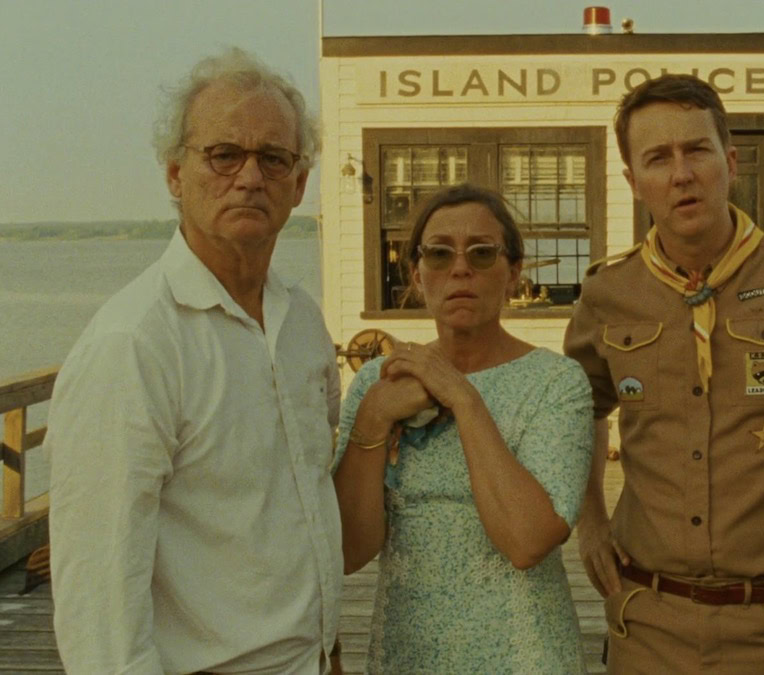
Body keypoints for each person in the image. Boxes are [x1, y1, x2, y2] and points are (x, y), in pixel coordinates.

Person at [46, 48, 341, 673]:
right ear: (175, 174)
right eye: (224, 154)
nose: (250, 177)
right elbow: (98, 607)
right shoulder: (134, 344)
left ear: (299, 183)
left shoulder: (303, 323)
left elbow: (307, 510)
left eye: (273, 158)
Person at [563, 74, 764, 672]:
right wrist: (590, 522)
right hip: (648, 627)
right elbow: (580, 408)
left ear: (731, 161)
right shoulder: (609, 294)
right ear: (634, 182)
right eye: (657, 159)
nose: (681, 174)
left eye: (697, 150)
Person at [333, 184, 594, 673]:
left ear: (513, 272)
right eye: (438, 254)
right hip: (407, 654)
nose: (459, 270)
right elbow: (350, 548)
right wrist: (372, 417)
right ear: (416, 273)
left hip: (524, 655)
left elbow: (527, 541)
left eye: (481, 253)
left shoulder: (555, 383)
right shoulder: (380, 382)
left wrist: (462, 398)